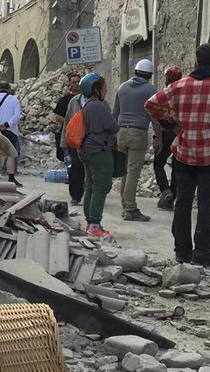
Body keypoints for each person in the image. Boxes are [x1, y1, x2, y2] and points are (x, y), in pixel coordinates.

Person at [144, 43, 210, 269]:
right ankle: (203, 253)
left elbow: (152, 104)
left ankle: (182, 252)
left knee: (182, 203)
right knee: (206, 204)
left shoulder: (180, 85)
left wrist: (171, 124)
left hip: (183, 152)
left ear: (195, 61)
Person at [112, 59, 161, 222]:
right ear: (149, 74)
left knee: (125, 171)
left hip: (121, 132)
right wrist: (158, 136)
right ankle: (131, 209)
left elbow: (115, 113)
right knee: (133, 172)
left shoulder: (122, 87)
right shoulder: (150, 89)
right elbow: (154, 116)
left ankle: (125, 206)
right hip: (138, 132)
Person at [77, 73, 119, 238]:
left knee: (91, 186)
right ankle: (95, 225)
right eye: (104, 87)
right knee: (101, 187)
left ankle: (90, 222)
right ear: (95, 89)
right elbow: (114, 126)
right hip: (99, 150)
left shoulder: (86, 104)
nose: (107, 90)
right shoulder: (98, 106)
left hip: (87, 149)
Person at [53, 73, 85, 205]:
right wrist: (73, 123)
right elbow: (59, 117)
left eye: (78, 82)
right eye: (74, 82)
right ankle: (75, 194)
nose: (76, 84)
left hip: (85, 138)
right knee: (73, 166)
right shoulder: (66, 100)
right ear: (69, 84)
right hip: (70, 137)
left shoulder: (86, 99)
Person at [153, 66, 182, 210]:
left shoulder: (164, 94)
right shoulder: (184, 95)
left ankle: (165, 190)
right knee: (177, 166)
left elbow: (155, 114)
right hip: (179, 134)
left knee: (158, 163)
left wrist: (155, 136)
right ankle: (172, 196)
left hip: (165, 133)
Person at [0, 81, 23, 187]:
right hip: (11, 131)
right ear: (9, 89)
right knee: (10, 154)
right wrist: (6, 125)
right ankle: (11, 178)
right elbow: (16, 116)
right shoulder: (14, 100)